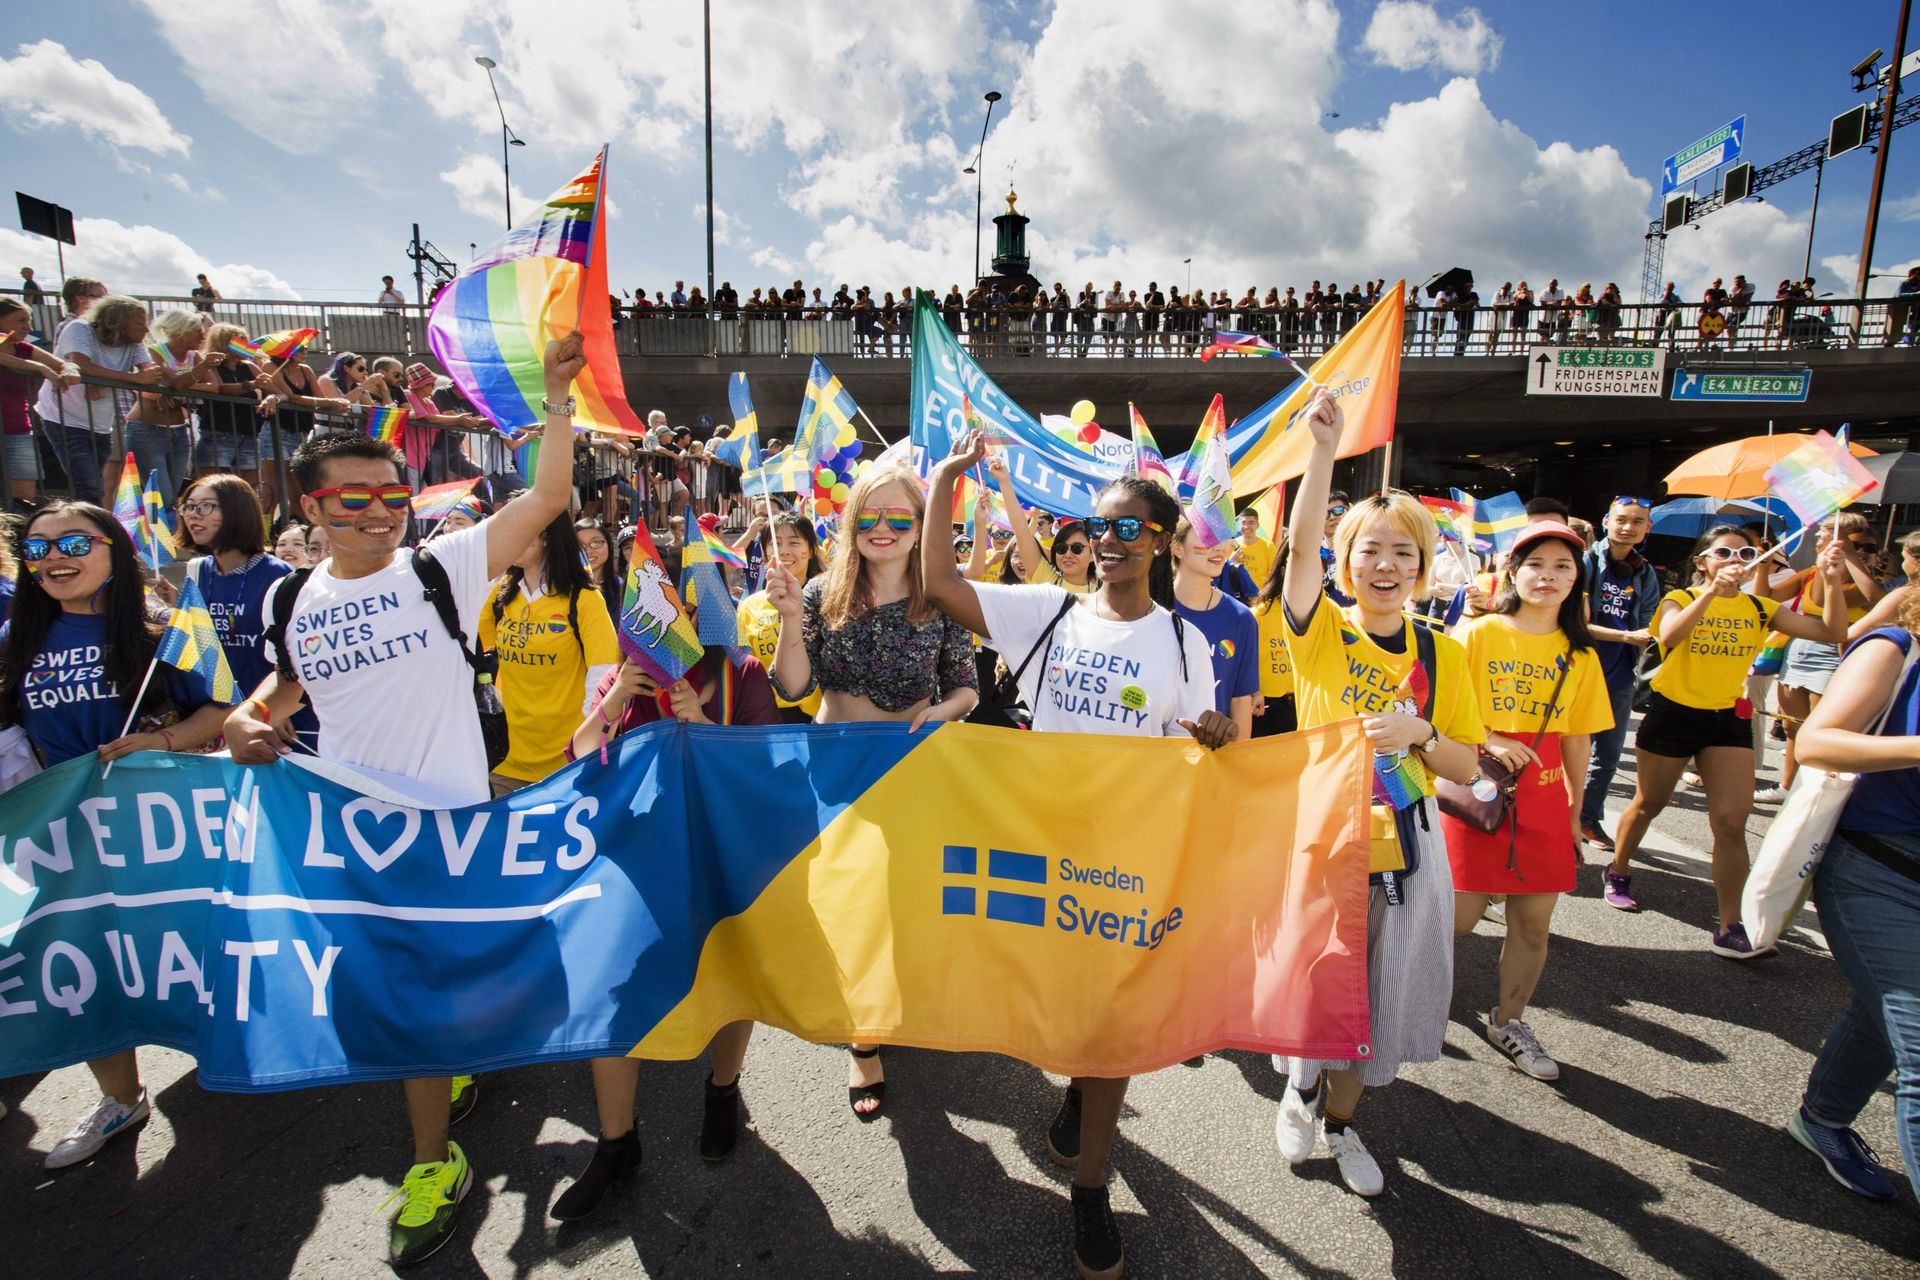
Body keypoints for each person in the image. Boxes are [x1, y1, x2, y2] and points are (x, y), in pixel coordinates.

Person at [224, 333, 588, 1266]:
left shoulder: (443, 567)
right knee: (404, 998)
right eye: (354, 499)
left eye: (393, 496)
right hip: (351, 837)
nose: (379, 513)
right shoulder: (289, 602)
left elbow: (547, 498)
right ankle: (435, 1161)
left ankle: (456, 1085)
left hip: (454, 833)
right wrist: (242, 722)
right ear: (311, 506)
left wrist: (554, 401)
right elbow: (281, 694)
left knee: (448, 987)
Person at [920, 431, 1229, 1279]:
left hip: (1129, 866)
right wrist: (947, 478)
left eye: (1129, 529)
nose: (1108, 543)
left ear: (1162, 543)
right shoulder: (1044, 611)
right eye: (1099, 529)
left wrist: (1217, 734)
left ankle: (1090, 1189)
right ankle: (1079, 1090)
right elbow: (938, 582)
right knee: (1066, 1020)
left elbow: (1205, 751)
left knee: (1112, 1031)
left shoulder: (1183, 645)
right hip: (1039, 853)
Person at [1274, 390, 1485, 1198]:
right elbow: (1296, 559)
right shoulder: (1320, 628)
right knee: (1318, 975)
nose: (1386, 566)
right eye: (1369, 551)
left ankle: (1345, 1124)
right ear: (1345, 560)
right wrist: (1322, 453)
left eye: (1403, 553)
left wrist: (1422, 737)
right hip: (1326, 830)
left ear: (1424, 568)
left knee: (1384, 985)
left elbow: (1468, 769)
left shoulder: (1445, 651)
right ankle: (1298, 1088)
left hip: (1412, 838)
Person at [0, 503, 229, 1170]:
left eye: (72, 541)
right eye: (37, 547)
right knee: (89, 959)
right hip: (64, 832)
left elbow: (220, 707)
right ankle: (120, 1098)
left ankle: (222, 1046)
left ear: (111, 548)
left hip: (157, 827)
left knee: (182, 945)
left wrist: (157, 740)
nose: (52, 557)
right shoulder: (17, 637)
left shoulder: (164, 627)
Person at [765, 464, 979, 1119]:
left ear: (921, 529)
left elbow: (968, 686)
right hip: (834, 772)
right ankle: (864, 1042)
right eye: (869, 517)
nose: (882, 530)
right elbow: (792, 688)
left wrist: (944, 712)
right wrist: (790, 616)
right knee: (850, 907)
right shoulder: (824, 592)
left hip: (911, 774)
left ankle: (894, 1002)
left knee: (900, 903)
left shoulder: (943, 597)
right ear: (851, 523)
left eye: (898, 519)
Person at [552, 612, 779, 1219]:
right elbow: (577, 755)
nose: (673, 612)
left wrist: (701, 724)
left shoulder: (742, 672)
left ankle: (722, 1092)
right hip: (634, 860)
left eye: (686, 598)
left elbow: (767, 770)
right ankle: (616, 1142)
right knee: (612, 993)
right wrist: (620, 694)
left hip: (720, 857)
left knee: (728, 979)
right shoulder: (628, 676)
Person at [1604, 525, 1848, 954]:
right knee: (1649, 803)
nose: (1736, 559)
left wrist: (1830, 577)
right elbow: (1670, 637)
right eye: (1723, 553)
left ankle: (1731, 925)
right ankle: (1619, 869)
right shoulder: (1679, 598)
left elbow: (1832, 633)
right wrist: (1711, 593)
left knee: (1732, 823)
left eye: (1746, 552)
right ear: (1702, 562)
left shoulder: (1760, 607)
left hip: (1727, 722)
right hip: (1673, 715)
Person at [1444, 522, 1612, 1081]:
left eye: (1563, 567)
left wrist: (1574, 812)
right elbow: (1439, 709)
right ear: (1513, 572)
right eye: (1537, 563)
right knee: (1457, 920)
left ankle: (1508, 1020)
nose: (1549, 575)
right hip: (1476, 788)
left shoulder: (1581, 656)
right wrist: (1489, 737)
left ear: (1576, 583)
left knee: (1534, 925)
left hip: (1541, 805)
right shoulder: (1478, 633)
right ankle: (1398, 995)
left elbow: (1578, 738)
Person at [1789, 599, 1920, 1202]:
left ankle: (1821, 1118)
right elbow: (1816, 741)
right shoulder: (1896, 647)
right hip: (1877, 868)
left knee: (1882, 1009)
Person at [481, 506, 618, 796]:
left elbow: (603, 675)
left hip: (566, 765)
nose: (509, 537)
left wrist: (586, 747)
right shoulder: (499, 594)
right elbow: (474, 649)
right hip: (506, 761)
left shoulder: (584, 597)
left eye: (518, 527)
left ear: (547, 537)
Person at [175, 473, 310, 743]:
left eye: (205, 506)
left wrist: (277, 708)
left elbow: (291, 655)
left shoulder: (278, 574)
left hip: (271, 716)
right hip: (213, 717)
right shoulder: (196, 571)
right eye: (188, 507)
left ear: (237, 510)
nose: (193, 515)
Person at [1767, 515, 1885, 805]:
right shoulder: (1812, 572)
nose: (1817, 538)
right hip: (1799, 651)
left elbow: (1872, 597)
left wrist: (1846, 560)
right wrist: (1761, 567)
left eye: (1824, 533)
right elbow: (1768, 596)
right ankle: (1787, 787)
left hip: (1836, 656)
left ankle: (1819, 795)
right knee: (1793, 726)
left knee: (1823, 730)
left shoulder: (1865, 579)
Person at [1579, 497, 1659, 850]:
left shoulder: (1646, 572)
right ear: (1607, 521)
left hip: (1620, 675)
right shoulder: (1585, 561)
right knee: (1570, 750)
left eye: (1638, 522)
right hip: (1578, 670)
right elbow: (1576, 623)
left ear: (1647, 528)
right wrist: (1626, 635)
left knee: (1608, 756)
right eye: (1622, 520)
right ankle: (1556, 818)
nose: (1629, 527)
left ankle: (1587, 818)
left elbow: (1648, 621)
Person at [35, 295, 165, 503]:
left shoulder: (134, 343)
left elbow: (150, 374)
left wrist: (102, 379)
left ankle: (89, 528)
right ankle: (87, 531)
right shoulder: (80, 328)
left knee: (97, 485)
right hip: (64, 418)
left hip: (101, 424)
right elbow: (82, 365)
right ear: (119, 321)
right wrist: (131, 378)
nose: (146, 329)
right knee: (88, 485)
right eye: (140, 323)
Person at [1166, 516, 1258, 741]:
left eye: (1224, 537)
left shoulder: (1241, 618)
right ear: (1177, 547)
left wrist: (1237, 763)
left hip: (1211, 758)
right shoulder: (1150, 608)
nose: (1219, 548)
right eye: (1207, 537)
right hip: (1153, 755)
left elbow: (1240, 701)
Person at [736, 510, 826, 724]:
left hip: (820, 722)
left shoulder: (829, 600)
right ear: (766, 552)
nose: (783, 552)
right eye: (775, 544)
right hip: (766, 721)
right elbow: (742, 667)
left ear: (811, 550)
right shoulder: (749, 607)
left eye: (794, 543)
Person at [0, 298, 78, 504]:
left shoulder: (24, 349)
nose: (29, 327)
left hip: (18, 431)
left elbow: (63, 364)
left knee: (24, 497)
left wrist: (69, 369)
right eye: (20, 320)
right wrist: (38, 367)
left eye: (29, 320)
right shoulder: (29, 359)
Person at [128, 309, 211, 501]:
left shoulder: (195, 356)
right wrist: (185, 383)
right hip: (148, 430)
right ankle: (156, 531)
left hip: (179, 430)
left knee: (172, 496)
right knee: (160, 496)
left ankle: (164, 531)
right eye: (197, 330)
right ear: (180, 332)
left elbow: (214, 386)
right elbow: (175, 383)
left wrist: (181, 389)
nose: (203, 335)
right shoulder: (153, 352)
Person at [990, 454, 1095, 595]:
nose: (1068, 554)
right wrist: (1004, 481)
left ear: (1092, 555)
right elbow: (1022, 531)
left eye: (1077, 548)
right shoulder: (1047, 580)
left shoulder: (1106, 588)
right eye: (1061, 548)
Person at [1249, 531, 1297, 737]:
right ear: (1284, 570)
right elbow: (1246, 661)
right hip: (1265, 706)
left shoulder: (1323, 614)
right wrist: (1254, 692)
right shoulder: (1259, 613)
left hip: (1302, 702)